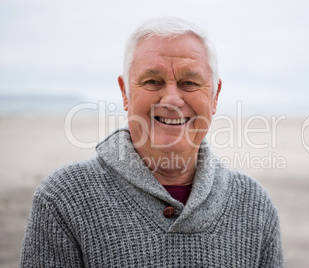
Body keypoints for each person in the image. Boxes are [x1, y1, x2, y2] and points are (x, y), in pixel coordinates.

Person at [20, 16, 284, 267]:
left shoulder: (254, 204)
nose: (171, 99)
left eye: (189, 82)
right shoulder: (64, 200)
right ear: (125, 93)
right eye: (153, 81)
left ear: (215, 97)